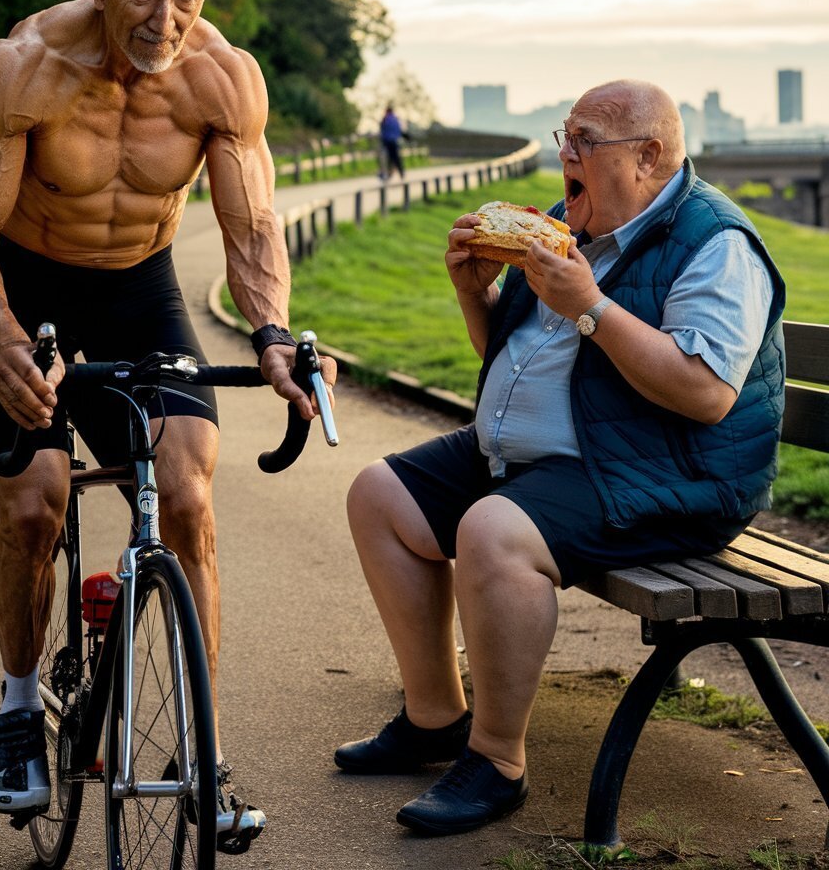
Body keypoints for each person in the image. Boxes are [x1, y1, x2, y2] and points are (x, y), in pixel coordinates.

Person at [0, 0, 335, 839]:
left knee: (189, 495)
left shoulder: (224, 80)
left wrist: (274, 335)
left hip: (138, 286)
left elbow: (251, 229)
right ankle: (16, 706)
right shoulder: (22, 67)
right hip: (26, 288)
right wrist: (2, 343)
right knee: (35, 506)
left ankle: (200, 752)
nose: (167, 19)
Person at [334, 79, 785, 836]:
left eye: (585, 142)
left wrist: (593, 307)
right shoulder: (554, 226)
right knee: (378, 494)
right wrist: (473, 292)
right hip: (551, 457)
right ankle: (436, 714)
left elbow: (706, 393)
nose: (565, 156)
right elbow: (509, 355)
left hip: (665, 472)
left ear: (649, 157)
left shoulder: (715, 242)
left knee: (491, 531)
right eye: (563, 137)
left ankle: (497, 761)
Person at [378, 105, 408, 181]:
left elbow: (382, 130)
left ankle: (388, 174)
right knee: (396, 158)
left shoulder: (385, 119)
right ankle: (400, 172)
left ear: (387, 111)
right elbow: (399, 130)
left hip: (387, 142)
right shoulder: (396, 119)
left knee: (389, 158)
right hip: (395, 141)